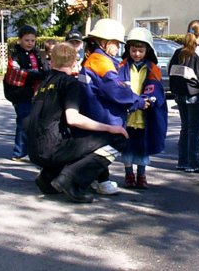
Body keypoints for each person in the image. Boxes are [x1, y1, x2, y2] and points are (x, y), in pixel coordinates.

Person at [25, 42, 129, 203]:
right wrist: (111, 128)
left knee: (73, 139)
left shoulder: (45, 82)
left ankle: (48, 177)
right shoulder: (69, 83)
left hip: (33, 150)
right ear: (74, 61)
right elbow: (73, 118)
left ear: (51, 60)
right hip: (53, 150)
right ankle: (72, 180)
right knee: (118, 139)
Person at [78, 18, 149, 194]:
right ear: (104, 42)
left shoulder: (94, 58)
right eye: (116, 43)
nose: (118, 48)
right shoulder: (101, 62)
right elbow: (116, 89)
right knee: (108, 149)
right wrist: (138, 101)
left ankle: (98, 180)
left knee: (97, 149)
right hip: (103, 115)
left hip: (94, 112)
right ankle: (94, 181)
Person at [118, 27, 168, 189]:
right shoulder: (122, 66)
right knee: (126, 147)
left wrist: (148, 100)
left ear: (148, 50)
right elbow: (118, 86)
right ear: (128, 50)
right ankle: (128, 175)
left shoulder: (153, 68)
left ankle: (141, 175)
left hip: (144, 114)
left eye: (140, 50)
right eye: (133, 50)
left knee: (142, 147)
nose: (137, 54)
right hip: (127, 114)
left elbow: (155, 87)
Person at [168, 20, 199, 173]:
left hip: (180, 95)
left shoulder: (178, 52)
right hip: (196, 95)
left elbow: (171, 72)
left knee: (185, 128)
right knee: (195, 130)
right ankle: (194, 162)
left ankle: (182, 161)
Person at [3, 25, 45, 161]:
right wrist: (34, 75)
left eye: (32, 40)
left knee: (33, 122)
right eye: (27, 40)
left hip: (34, 93)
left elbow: (41, 69)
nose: (30, 43)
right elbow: (14, 72)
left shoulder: (36, 54)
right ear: (20, 40)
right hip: (19, 93)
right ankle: (19, 152)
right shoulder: (16, 55)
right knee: (24, 121)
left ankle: (30, 150)